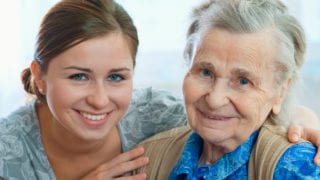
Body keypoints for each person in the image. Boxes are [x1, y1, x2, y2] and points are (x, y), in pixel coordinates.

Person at [0, 0, 319, 179]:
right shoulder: (6, 150)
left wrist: (303, 121)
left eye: (116, 77)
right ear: (39, 77)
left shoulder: (156, 115)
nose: (99, 100)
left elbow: (235, 116)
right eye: (78, 77)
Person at [134, 0, 320, 179]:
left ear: (280, 92)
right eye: (206, 72)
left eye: (243, 81)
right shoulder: (146, 160)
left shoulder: (297, 167)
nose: (215, 99)